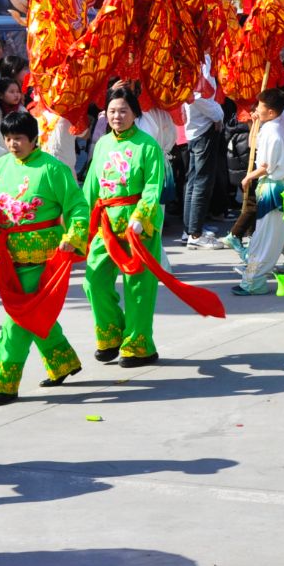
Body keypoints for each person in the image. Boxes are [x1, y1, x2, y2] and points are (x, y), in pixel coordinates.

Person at [0, 112, 89, 406]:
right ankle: (63, 362)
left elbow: (78, 206)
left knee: (17, 321)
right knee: (33, 316)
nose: (12, 144)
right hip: (8, 257)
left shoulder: (52, 169)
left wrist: (73, 236)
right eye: (7, 138)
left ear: (34, 139)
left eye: (18, 138)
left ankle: (3, 383)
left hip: (42, 259)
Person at [82, 87, 166, 367]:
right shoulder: (103, 144)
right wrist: (80, 222)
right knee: (93, 281)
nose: (117, 116)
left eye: (123, 111)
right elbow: (91, 186)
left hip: (137, 224)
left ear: (135, 114)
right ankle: (111, 333)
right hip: (107, 223)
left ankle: (139, 346)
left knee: (138, 287)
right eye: (112, 111)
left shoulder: (148, 146)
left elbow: (153, 187)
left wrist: (142, 217)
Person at [232, 89, 284, 297]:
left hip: (272, 185)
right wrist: (254, 124)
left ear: (270, 111)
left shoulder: (273, 131)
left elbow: (266, 165)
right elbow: (255, 145)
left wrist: (248, 177)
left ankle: (254, 280)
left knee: (266, 236)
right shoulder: (275, 127)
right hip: (279, 184)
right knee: (283, 233)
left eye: (259, 107)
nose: (256, 109)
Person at [182, 71, 225, 250]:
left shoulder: (201, 58)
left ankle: (191, 228)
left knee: (194, 181)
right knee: (201, 182)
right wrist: (218, 114)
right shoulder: (197, 60)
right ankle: (195, 233)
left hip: (198, 127)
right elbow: (197, 96)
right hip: (202, 128)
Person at [0, 75, 24, 162]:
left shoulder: (23, 111)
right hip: (2, 161)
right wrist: (5, 157)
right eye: (11, 92)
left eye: (18, 91)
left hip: (22, 159)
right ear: (1, 95)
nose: (16, 95)